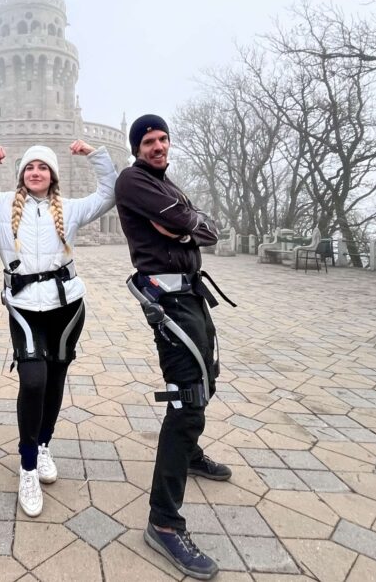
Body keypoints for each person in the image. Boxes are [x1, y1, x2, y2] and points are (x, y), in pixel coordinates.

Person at [0, 139, 116, 517]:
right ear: (21, 174)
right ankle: (27, 468)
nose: (36, 172)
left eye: (43, 168)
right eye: (30, 168)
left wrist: (95, 155)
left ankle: (43, 446)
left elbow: (109, 194)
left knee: (55, 381)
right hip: (24, 307)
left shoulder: (70, 210)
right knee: (34, 381)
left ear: (53, 175)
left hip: (67, 306)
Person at [115, 114, 234, 580]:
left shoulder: (167, 183)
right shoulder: (134, 181)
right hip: (166, 297)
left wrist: (183, 227)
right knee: (186, 398)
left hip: (192, 293)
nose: (158, 146)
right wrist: (186, 224)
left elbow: (208, 228)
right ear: (136, 147)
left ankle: (189, 453)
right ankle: (164, 521)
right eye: (149, 141)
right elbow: (190, 221)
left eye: (163, 139)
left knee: (208, 378)